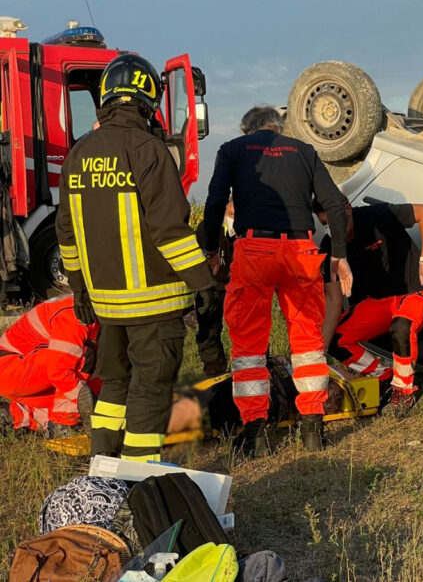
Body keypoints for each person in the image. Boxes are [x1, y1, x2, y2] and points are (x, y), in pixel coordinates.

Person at [56, 54, 217, 462]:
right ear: (148, 99)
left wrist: (78, 289)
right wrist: (203, 284)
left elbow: (67, 233)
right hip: (155, 303)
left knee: (113, 386)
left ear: (106, 96)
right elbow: (171, 230)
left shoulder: (77, 155)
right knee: (150, 388)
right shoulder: (148, 149)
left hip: (107, 306)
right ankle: (134, 482)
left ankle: (103, 470)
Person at [203, 106, 352, 454]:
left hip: (254, 249)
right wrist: (339, 254)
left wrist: (211, 249)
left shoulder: (232, 150)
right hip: (300, 249)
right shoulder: (303, 150)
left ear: (247, 129)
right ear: (278, 127)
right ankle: (313, 430)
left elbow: (214, 202)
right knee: (308, 342)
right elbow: (332, 201)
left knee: (249, 348)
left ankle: (254, 434)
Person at [314, 197, 423, 412]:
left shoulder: (376, 216)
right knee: (337, 340)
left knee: (401, 328)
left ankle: (404, 393)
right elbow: (334, 300)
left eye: (334, 221)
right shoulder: (329, 247)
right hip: (378, 302)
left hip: (415, 293)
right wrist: (320, 352)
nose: (332, 229)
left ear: (347, 209)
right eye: (325, 224)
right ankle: (384, 376)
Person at [0, 295, 99, 433]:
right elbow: (60, 371)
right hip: (10, 368)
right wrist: (87, 408)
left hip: (21, 373)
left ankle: (18, 414)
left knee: (90, 385)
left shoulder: (88, 307)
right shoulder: (77, 313)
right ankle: (64, 425)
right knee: (81, 357)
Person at [192, 200, 236, 378]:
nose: (234, 218)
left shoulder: (248, 226)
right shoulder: (207, 227)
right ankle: (214, 371)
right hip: (211, 286)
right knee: (209, 330)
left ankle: (251, 368)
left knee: (247, 329)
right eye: (232, 214)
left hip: (238, 286)